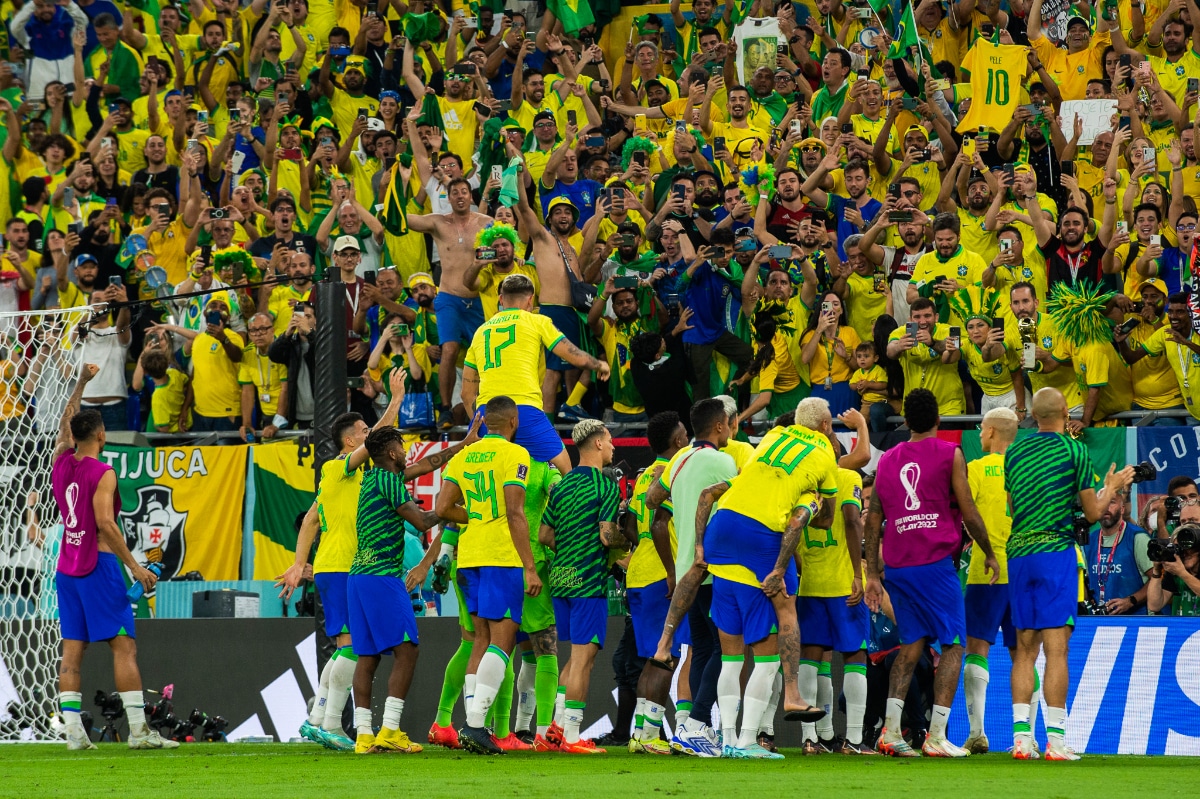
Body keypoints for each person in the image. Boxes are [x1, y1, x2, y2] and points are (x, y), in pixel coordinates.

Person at [276, 377, 479, 751]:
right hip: (344, 565)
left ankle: (334, 723)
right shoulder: (338, 468)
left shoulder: (370, 479)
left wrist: (460, 447)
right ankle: (332, 721)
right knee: (361, 648)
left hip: (350, 569)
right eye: (367, 431)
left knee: (356, 649)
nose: (378, 435)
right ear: (353, 442)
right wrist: (397, 399)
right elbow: (381, 450)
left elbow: (415, 468)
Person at [694, 396, 838, 759]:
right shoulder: (824, 456)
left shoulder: (772, 437)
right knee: (779, 627)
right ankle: (750, 739)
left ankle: (727, 740)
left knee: (730, 656)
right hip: (763, 536)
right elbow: (822, 520)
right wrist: (811, 500)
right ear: (824, 426)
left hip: (723, 525)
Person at [864, 388, 999, 758]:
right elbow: (969, 511)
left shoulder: (888, 459)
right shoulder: (949, 453)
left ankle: (891, 732)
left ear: (905, 421)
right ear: (938, 419)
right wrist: (988, 552)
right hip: (936, 564)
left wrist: (873, 574)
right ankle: (936, 736)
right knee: (954, 644)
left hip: (899, 566)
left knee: (910, 646)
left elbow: (873, 516)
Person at [51, 363, 177, 751]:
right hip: (99, 567)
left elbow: (63, 426)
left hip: (67, 568)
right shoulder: (103, 472)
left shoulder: (60, 460)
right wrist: (136, 567)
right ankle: (139, 732)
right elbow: (105, 523)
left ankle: (73, 733)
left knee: (72, 650)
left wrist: (82, 384)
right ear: (102, 435)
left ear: (73, 436)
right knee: (124, 646)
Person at [1003, 387, 1134, 760]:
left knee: (1024, 651)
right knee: (1057, 648)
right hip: (1054, 553)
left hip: (1019, 553)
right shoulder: (1073, 449)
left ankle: (1021, 741)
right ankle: (1056, 742)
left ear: (1035, 414)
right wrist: (1112, 486)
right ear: (1064, 411)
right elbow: (1093, 513)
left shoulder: (1015, 451)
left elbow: (1012, 505)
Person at [436, 396, 542, 756]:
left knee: (479, 639)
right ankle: (476, 725)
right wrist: (529, 565)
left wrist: (478, 518)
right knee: (503, 639)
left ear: (484, 422)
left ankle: (471, 727)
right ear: (513, 421)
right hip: (501, 556)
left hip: (468, 557)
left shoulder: (463, 455)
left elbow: (442, 508)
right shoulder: (516, 455)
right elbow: (515, 512)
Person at [345, 426, 444, 755]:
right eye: (401, 447)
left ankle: (363, 735)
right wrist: (455, 511)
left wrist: (465, 444)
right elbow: (422, 523)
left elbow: (428, 464)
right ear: (391, 453)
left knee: (368, 656)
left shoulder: (372, 478)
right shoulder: (389, 481)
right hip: (382, 577)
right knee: (408, 651)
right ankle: (389, 729)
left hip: (358, 576)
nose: (405, 452)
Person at [461, 274, 609, 476]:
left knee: (484, 478)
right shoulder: (536, 321)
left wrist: (477, 424)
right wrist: (599, 364)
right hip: (523, 411)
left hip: (487, 416)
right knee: (566, 472)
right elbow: (573, 356)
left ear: (501, 300)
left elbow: (466, 394)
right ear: (531, 299)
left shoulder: (481, 331)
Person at [538, 419, 623, 753]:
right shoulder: (605, 486)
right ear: (598, 444)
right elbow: (606, 535)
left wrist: (570, 548)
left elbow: (545, 535)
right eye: (610, 440)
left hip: (560, 581)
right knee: (584, 661)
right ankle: (572, 737)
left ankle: (555, 731)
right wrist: (624, 542)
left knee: (573, 660)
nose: (614, 446)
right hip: (588, 582)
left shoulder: (562, 485)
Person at [795, 428, 875, 755]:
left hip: (809, 582)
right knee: (855, 656)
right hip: (844, 582)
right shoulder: (845, 476)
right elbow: (853, 519)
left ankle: (809, 738)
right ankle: (854, 740)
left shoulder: (798, 480)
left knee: (810, 659)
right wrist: (859, 573)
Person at [625, 411, 690, 755]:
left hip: (638, 572)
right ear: (678, 441)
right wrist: (669, 570)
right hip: (658, 577)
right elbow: (660, 525)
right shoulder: (672, 474)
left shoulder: (643, 476)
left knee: (654, 657)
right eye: (685, 434)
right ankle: (649, 735)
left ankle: (641, 734)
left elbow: (632, 525)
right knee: (667, 656)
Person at [963, 408, 1020, 755]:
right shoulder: (1026, 468)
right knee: (1024, 655)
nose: (980, 435)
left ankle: (977, 732)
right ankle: (1023, 737)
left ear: (994, 433)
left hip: (987, 570)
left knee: (976, 648)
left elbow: (966, 517)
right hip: (1024, 568)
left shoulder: (976, 469)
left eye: (983, 429)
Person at [1082, 489, 1152, 615]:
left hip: (1135, 620)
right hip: (1098, 621)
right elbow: (1085, 583)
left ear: (1122, 509)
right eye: (1101, 503)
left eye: (1112, 502)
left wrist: (1131, 600)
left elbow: (1159, 579)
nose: (1106, 507)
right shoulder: (1089, 540)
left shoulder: (1138, 538)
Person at [1147, 502, 1200, 616]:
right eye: (1183, 522)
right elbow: (1154, 605)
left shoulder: (1179, 570)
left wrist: (1182, 573)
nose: (1184, 553)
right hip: (1181, 631)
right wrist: (1156, 570)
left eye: (1193, 520)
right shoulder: (1177, 567)